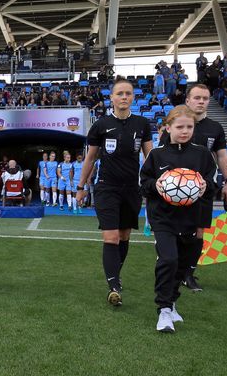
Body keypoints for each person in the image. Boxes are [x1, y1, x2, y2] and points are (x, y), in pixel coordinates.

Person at [76, 79, 153, 307]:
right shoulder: (101, 125)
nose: (124, 97)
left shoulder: (142, 124)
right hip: (107, 188)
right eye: (119, 93)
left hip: (132, 189)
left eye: (128, 93)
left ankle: (114, 276)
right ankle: (114, 287)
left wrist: (154, 183)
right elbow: (90, 158)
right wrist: (81, 187)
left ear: (132, 97)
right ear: (111, 97)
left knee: (124, 236)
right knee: (111, 237)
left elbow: (150, 157)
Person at [140, 105, 216, 333]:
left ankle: (172, 301)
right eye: (179, 126)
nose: (184, 131)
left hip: (192, 218)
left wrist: (205, 186)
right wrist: (157, 185)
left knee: (183, 266)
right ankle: (163, 310)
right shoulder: (157, 155)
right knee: (169, 259)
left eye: (189, 127)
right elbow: (144, 185)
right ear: (168, 127)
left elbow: (213, 185)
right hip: (163, 218)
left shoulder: (202, 154)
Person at [158, 84, 227, 292]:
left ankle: (188, 274)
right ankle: (173, 268)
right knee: (177, 233)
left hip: (203, 189)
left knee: (199, 234)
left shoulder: (215, 128)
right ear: (188, 100)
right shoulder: (177, 123)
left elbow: (222, 156)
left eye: (205, 98)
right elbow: (162, 154)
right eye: (197, 98)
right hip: (176, 192)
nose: (201, 101)